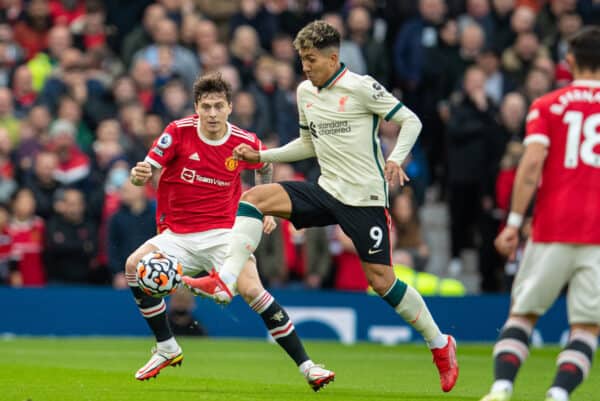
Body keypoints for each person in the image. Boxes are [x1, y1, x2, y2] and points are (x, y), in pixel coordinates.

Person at [184, 20, 459, 393]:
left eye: (311, 59)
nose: (305, 67)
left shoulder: (361, 88)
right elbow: (306, 144)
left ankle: (440, 344)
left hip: (364, 199)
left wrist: (398, 157)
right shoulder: (304, 92)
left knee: (382, 282)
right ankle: (226, 279)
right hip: (327, 189)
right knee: (253, 199)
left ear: (333, 57)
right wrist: (263, 154)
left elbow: (411, 119)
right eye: (302, 59)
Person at [127, 73, 335, 390]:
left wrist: (263, 203)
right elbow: (146, 170)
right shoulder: (178, 132)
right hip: (176, 235)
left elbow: (265, 164)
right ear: (196, 107)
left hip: (225, 233)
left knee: (253, 291)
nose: (212, 113)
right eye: (206, 106)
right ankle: (167, 346)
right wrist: (140, 175)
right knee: (133, 267)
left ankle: (309, 367)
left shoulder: (244, 141)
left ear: (230, 107)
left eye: (218, 106)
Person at [480, 26, 600, 401]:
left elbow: (531, 165)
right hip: (597, 236)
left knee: (522, 316)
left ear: (569, 62)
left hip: (551, 228)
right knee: (585, 327)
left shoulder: (548, 105)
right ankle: (559, 394)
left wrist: (514, 223)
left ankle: (501, 388)